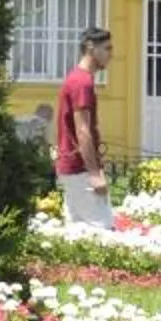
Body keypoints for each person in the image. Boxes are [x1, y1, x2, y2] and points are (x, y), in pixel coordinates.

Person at [56, 26, 114, 227]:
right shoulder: (82, 83)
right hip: (80, 169)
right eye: (106, 48)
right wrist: (95, 174)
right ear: (91, 48)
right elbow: (83, 131)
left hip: (72, 167)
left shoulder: (76, 78)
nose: (110, 55)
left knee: (78, 232)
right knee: (103, 229)